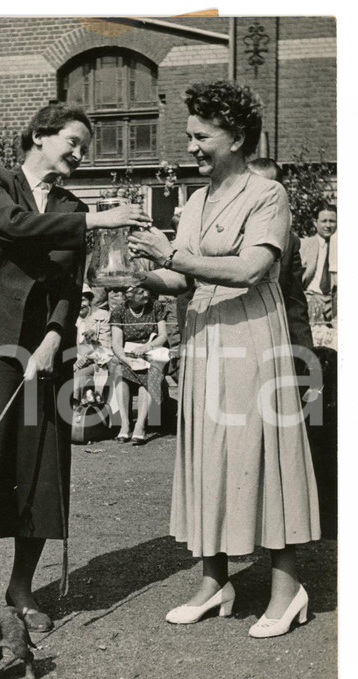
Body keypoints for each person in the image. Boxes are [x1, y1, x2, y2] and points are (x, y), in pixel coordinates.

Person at [0, 102, 151, 628]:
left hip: (40, 349)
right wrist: (95, 219)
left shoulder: (70, 205)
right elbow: (14, 227)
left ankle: (21, 590)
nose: (80, 153)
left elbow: (66, 289)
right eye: (73, 141)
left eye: (85, 147)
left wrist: (55, 336)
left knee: (39, 467)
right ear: (40, 135)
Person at [128, 80, 320, 638]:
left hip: (253, 335)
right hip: (206, 335)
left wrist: (175, 255)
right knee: (207, 452)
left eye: (201, 136)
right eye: (189, 135)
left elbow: (252, 268)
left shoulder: (268, 194)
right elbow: (179, 277)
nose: (190, 146)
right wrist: (140, 272)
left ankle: (287, 592)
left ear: (236, 137)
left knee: (261, 451)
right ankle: (215, 584)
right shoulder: (196, 200)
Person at [247, 159, 314, 365]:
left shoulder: (289, 241)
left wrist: (306, 357)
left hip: (269, 342)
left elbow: (294, 303)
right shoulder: (226, 234)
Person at [110, 286, 168, 445]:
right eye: (141, 292)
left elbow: (163, 335)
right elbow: (116, 343)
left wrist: (146, 348)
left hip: (152, 351)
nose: (146, 294)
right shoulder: (119, 311)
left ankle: (140, 425)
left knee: (149, 373)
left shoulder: (155, 306)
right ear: (129, 295)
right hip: (129, 354)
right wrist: (125, 358)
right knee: (119, 370)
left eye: (146, 290)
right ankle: (125, 424)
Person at [299, 203, 337, 347]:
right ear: (315, 223)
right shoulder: (304, 245)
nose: (328, 225)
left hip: (333, 303)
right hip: (311, 299)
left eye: (332, 221)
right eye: (324, 221)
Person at [73, 287, 112, 405]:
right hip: (74, 362)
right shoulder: (70, 318)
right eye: (76, 301)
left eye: (83, 300)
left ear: (89, 300)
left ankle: (79, 412)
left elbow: (105, 349)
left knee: (79, 376)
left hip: (97, 364)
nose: (80, 305)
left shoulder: (102, 316)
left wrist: (83, 361)